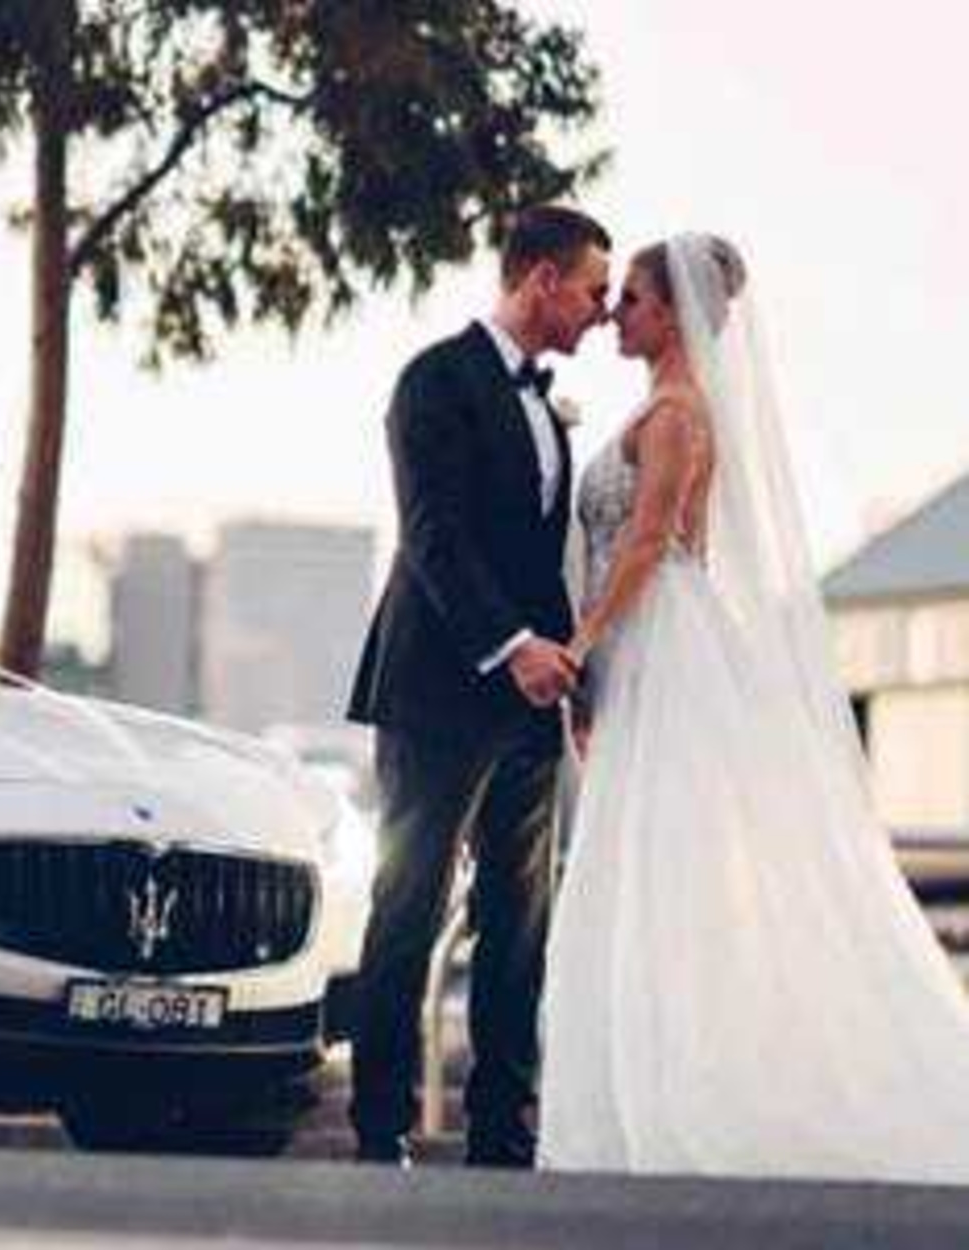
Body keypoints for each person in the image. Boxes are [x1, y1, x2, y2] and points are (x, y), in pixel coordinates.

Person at [541, 235, 969, 1183]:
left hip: (661, 645)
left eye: (634, 301)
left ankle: (678, 1093)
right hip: (643, 645)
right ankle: (635, 1085)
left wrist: (583, 645)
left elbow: (649, 543)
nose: (618, 314)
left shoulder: (679, 415)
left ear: (673, 312)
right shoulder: (662, 407)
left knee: (652, 868)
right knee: (631, 869)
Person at [345, 205, 613, 1168]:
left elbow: (541, 556)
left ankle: (505, 1132)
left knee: (519, 921)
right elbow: (434, 536)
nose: (602, 311)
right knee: (409, 903)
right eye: (592, 289)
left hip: (533, 703)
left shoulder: (548, 404)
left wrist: (566, 667)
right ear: (541, 278)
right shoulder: (434, 381)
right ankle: (381, 1132)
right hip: (437, 688)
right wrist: (510, 646)